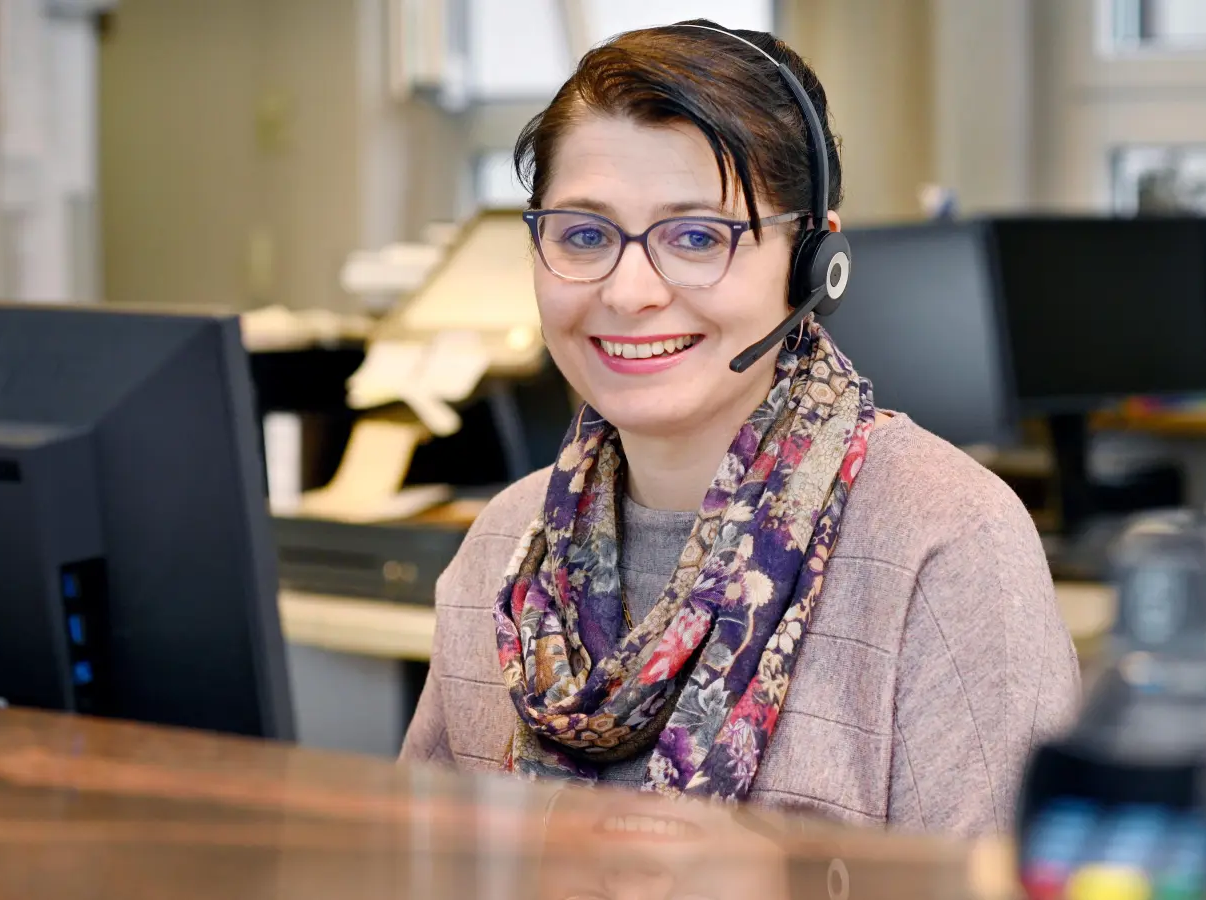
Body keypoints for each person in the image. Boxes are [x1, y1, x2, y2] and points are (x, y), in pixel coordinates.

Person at [401, 19, 1080, 835]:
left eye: (697, 237)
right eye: (584, 235)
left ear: (814, 265)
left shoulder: (944, 542)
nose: (630, 291)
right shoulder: (506, 549)